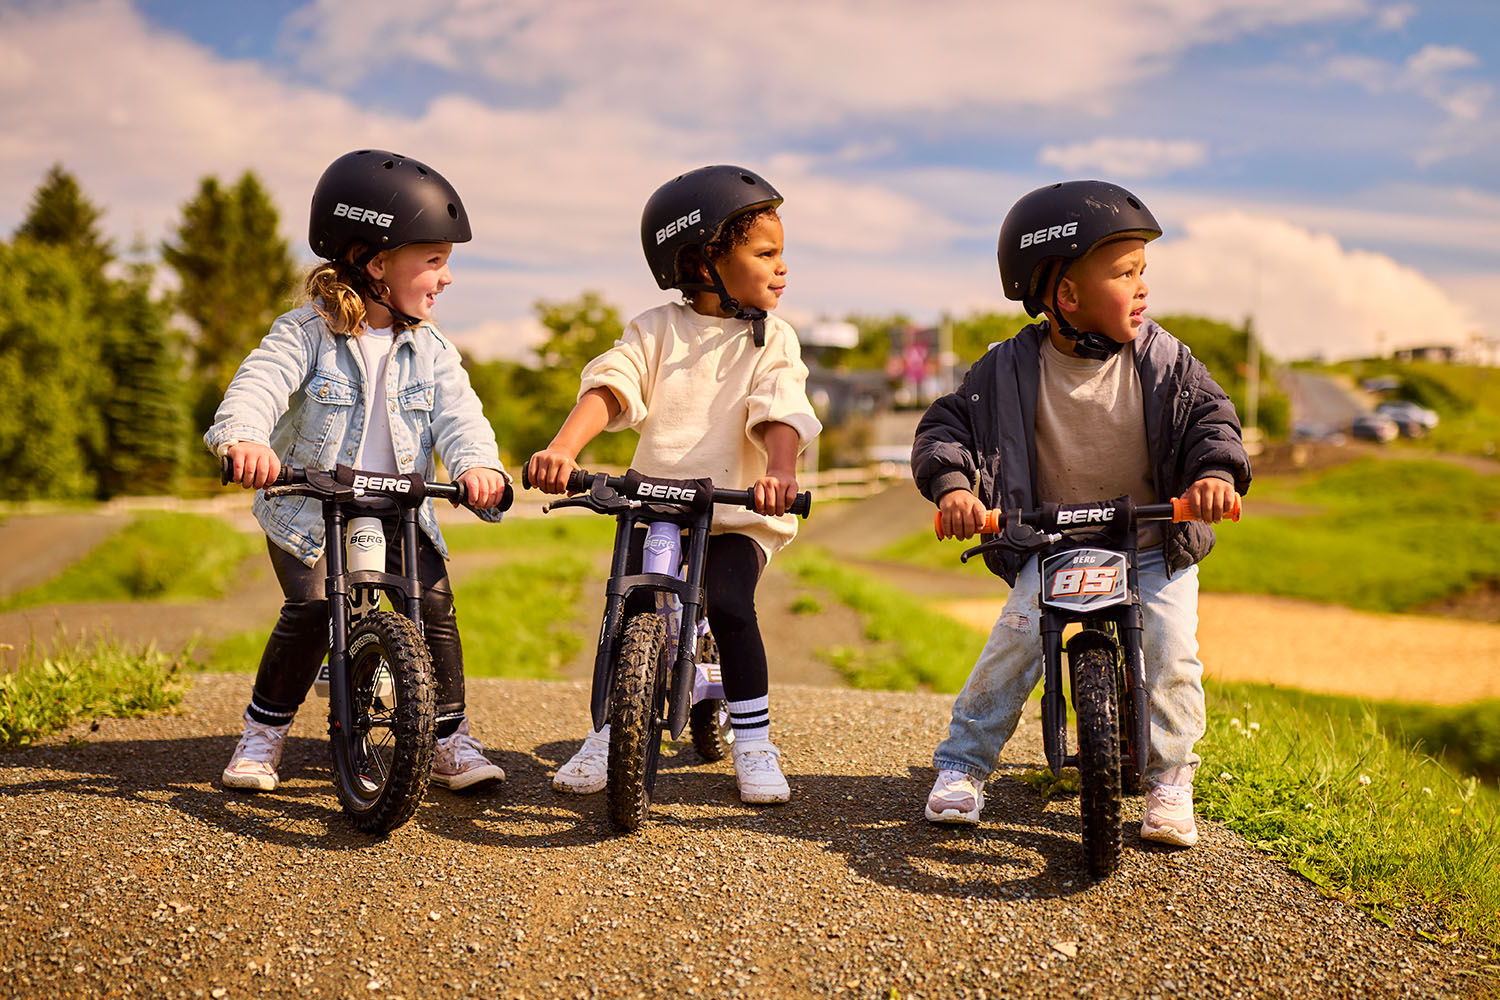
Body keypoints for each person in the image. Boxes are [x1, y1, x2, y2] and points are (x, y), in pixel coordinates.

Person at [912, 179, 1251, 846]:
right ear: (1066, 297)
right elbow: (945, 427)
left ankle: (1170, 779)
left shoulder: (1163, 360)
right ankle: (963, 765)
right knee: (1013, 640)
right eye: (1125, 273)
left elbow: (1213, 420)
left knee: (1173, 652)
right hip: (1052, 544)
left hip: (1152, 542)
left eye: (1142, 271)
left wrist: (1213, 473)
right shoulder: (1005, 370)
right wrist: (955, 487)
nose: (1143, 287)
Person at [208, 149, 511, 794]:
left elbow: (460, 419)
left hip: (399, 508)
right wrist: (245, 439)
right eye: (433, 261)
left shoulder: (432, 350)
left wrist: (479, 466)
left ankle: (449, 737)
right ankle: (264, 732)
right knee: (315, 605)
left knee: (433, 608)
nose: (446, 278)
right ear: (377, 265)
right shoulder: (305, 333)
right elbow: (258, 386)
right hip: (312, 510)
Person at [526, 164, 821, 804]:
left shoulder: (774, 339)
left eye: (781, 255)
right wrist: (562, 448)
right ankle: (607, 733)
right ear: (703, 260)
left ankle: (753, 742)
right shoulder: (656, 329)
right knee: (627, 605)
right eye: (765, 253)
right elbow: (614, 384)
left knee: (731, 604)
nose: (782, 268)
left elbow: (781, 408)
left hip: (734, 512)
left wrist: (780, 472)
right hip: (656, 505)